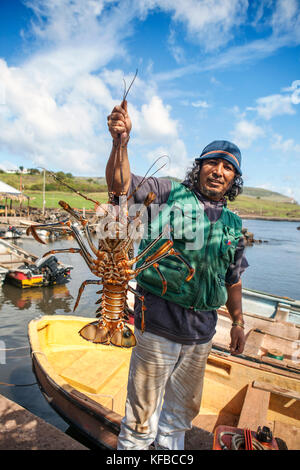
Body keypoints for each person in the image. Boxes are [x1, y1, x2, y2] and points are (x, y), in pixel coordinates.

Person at [106, 100, 248, 450]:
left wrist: (240, 322)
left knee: (177, 422)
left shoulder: (234, 224)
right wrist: (120, 144)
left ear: (234, 179)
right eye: (212, 162)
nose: (218, 170)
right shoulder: (167, 193)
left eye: (227, 167)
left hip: (202, 335)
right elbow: (120, 186)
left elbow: (234, 278)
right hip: (157, 324)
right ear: (198, 168)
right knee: (140, 424)